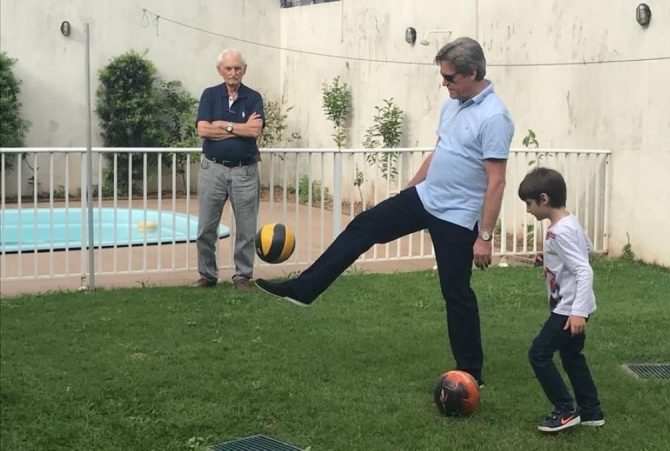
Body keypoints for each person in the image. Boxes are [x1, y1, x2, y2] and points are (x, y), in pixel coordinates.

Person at [256, 37, 514, 386]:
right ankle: (305, 289)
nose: (445, 84)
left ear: (473, 73)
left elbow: (496, 181)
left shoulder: (495, 117)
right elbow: (439, 152)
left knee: (456, 292)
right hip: (425, 197)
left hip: (457, 215)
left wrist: (484, 236)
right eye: (443, 77)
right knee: (364, 225)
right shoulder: (451, 105)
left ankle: (470, 373)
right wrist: (407, 192)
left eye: (450, 78)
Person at [517, 167, 604, 432]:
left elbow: (583, 269)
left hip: (568, 309)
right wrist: (551, 259)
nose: (528, 210)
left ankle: (565, 410)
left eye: (529, 204)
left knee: (539, 354)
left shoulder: (558, 232)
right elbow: (586, 248)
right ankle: (591, 412)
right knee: (572, 356)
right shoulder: (570, 222)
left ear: (544, 199)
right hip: (577, 306)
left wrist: (576, 312)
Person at [193, 49, 265, 292]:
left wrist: (224, 125)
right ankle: (207, 275)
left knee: (246, 228)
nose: (233, 73)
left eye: (237, 68)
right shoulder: (210, 95)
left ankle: (242, 276)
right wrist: (239, 128)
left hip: (245, 172)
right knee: (205, 228)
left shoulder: (253, 97)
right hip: (212, 169)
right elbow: (203, 130)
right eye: (228, 68)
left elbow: (254, 132)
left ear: (244, 70)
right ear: (220, 70)